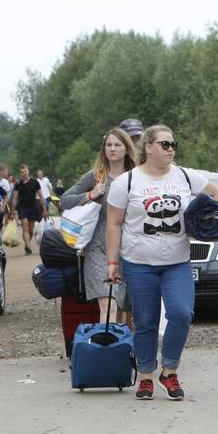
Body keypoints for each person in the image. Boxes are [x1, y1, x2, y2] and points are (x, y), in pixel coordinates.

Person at [106, 125, 218, 401]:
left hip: (177, 262)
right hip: (138, 262)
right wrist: (112, 262)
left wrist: (206, 223)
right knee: (146, 320)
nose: (171, 149)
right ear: (148, 147)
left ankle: (169, 370)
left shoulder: (185, 176)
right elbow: (113, 224)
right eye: (165, 144)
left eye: (173, 144)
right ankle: (146, 375)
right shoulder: (127, 182)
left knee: (182, 314)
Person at [62, 128, 136, 323]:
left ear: (127, 149)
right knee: (109, 306)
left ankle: (122, 350)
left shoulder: (136, 178)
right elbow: (64, 200)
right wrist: (90, 195)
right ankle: (108, 352)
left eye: (117, 145)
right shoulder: (96, 176)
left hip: (129, 250)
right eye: (108, 145)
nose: (112, 149)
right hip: (97, 250)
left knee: (123, 309)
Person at [11, 164, 45, 255]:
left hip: (33, 207)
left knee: (31, 229)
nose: (24, 173)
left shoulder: (35, 182)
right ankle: (28, 247)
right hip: (22, 207)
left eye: (25, 171)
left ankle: (27, 244)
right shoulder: (18, 184)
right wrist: (12, 211)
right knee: (25, 225)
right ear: (20, 173)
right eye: (22, 172)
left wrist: (45, 209)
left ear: (28, 171)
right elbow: (15, 198)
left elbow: (41, 196)